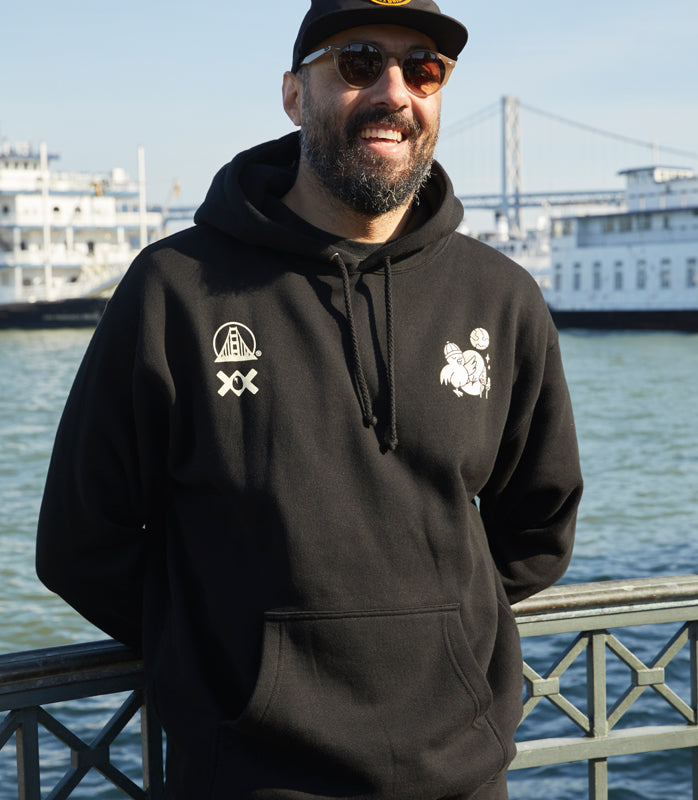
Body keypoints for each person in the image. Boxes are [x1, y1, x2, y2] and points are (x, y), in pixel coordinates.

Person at [36, 0, 583, 797]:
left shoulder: (500, 298)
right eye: (360, 63)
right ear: (295, 95)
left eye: (423, 69)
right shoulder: (174, 291)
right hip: (246, 779)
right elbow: (82, 543)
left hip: (461, 778)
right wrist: (238, 665)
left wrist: (441, 645)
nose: (395, 92)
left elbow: (539, 522)